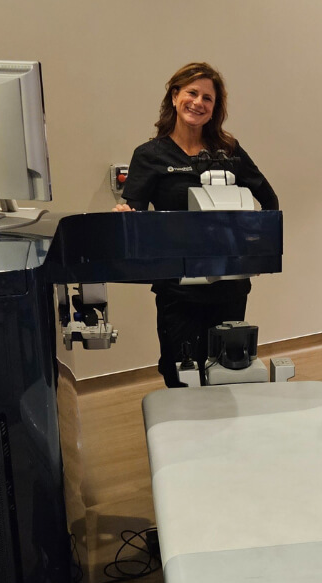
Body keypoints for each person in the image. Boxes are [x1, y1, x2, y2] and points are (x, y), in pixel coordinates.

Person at [114, 62, 279, 387]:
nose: (198, 102)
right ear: (175, 96)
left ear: (215, 108)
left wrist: (257, 252)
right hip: (179, 290)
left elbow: (269, 200)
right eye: (192, 93)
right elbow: (136, 213)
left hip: (229, 287)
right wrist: (125, 217)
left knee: (228, 372)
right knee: (181, 375)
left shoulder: (228, 150)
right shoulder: (150, 155)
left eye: (208, 98)